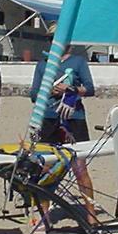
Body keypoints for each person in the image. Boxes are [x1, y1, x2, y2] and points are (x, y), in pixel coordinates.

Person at [28, 38, 98, 215]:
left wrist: (70, 89)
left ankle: (90, 213)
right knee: (46, 167)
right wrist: (50, 90)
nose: (55, 41)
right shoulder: (43, 64)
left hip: (74, 118)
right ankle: (44, 215)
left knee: (79, 167)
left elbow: (90, 88)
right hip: (49, 118)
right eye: (51, 38)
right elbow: (34, 94)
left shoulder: (78, 61)